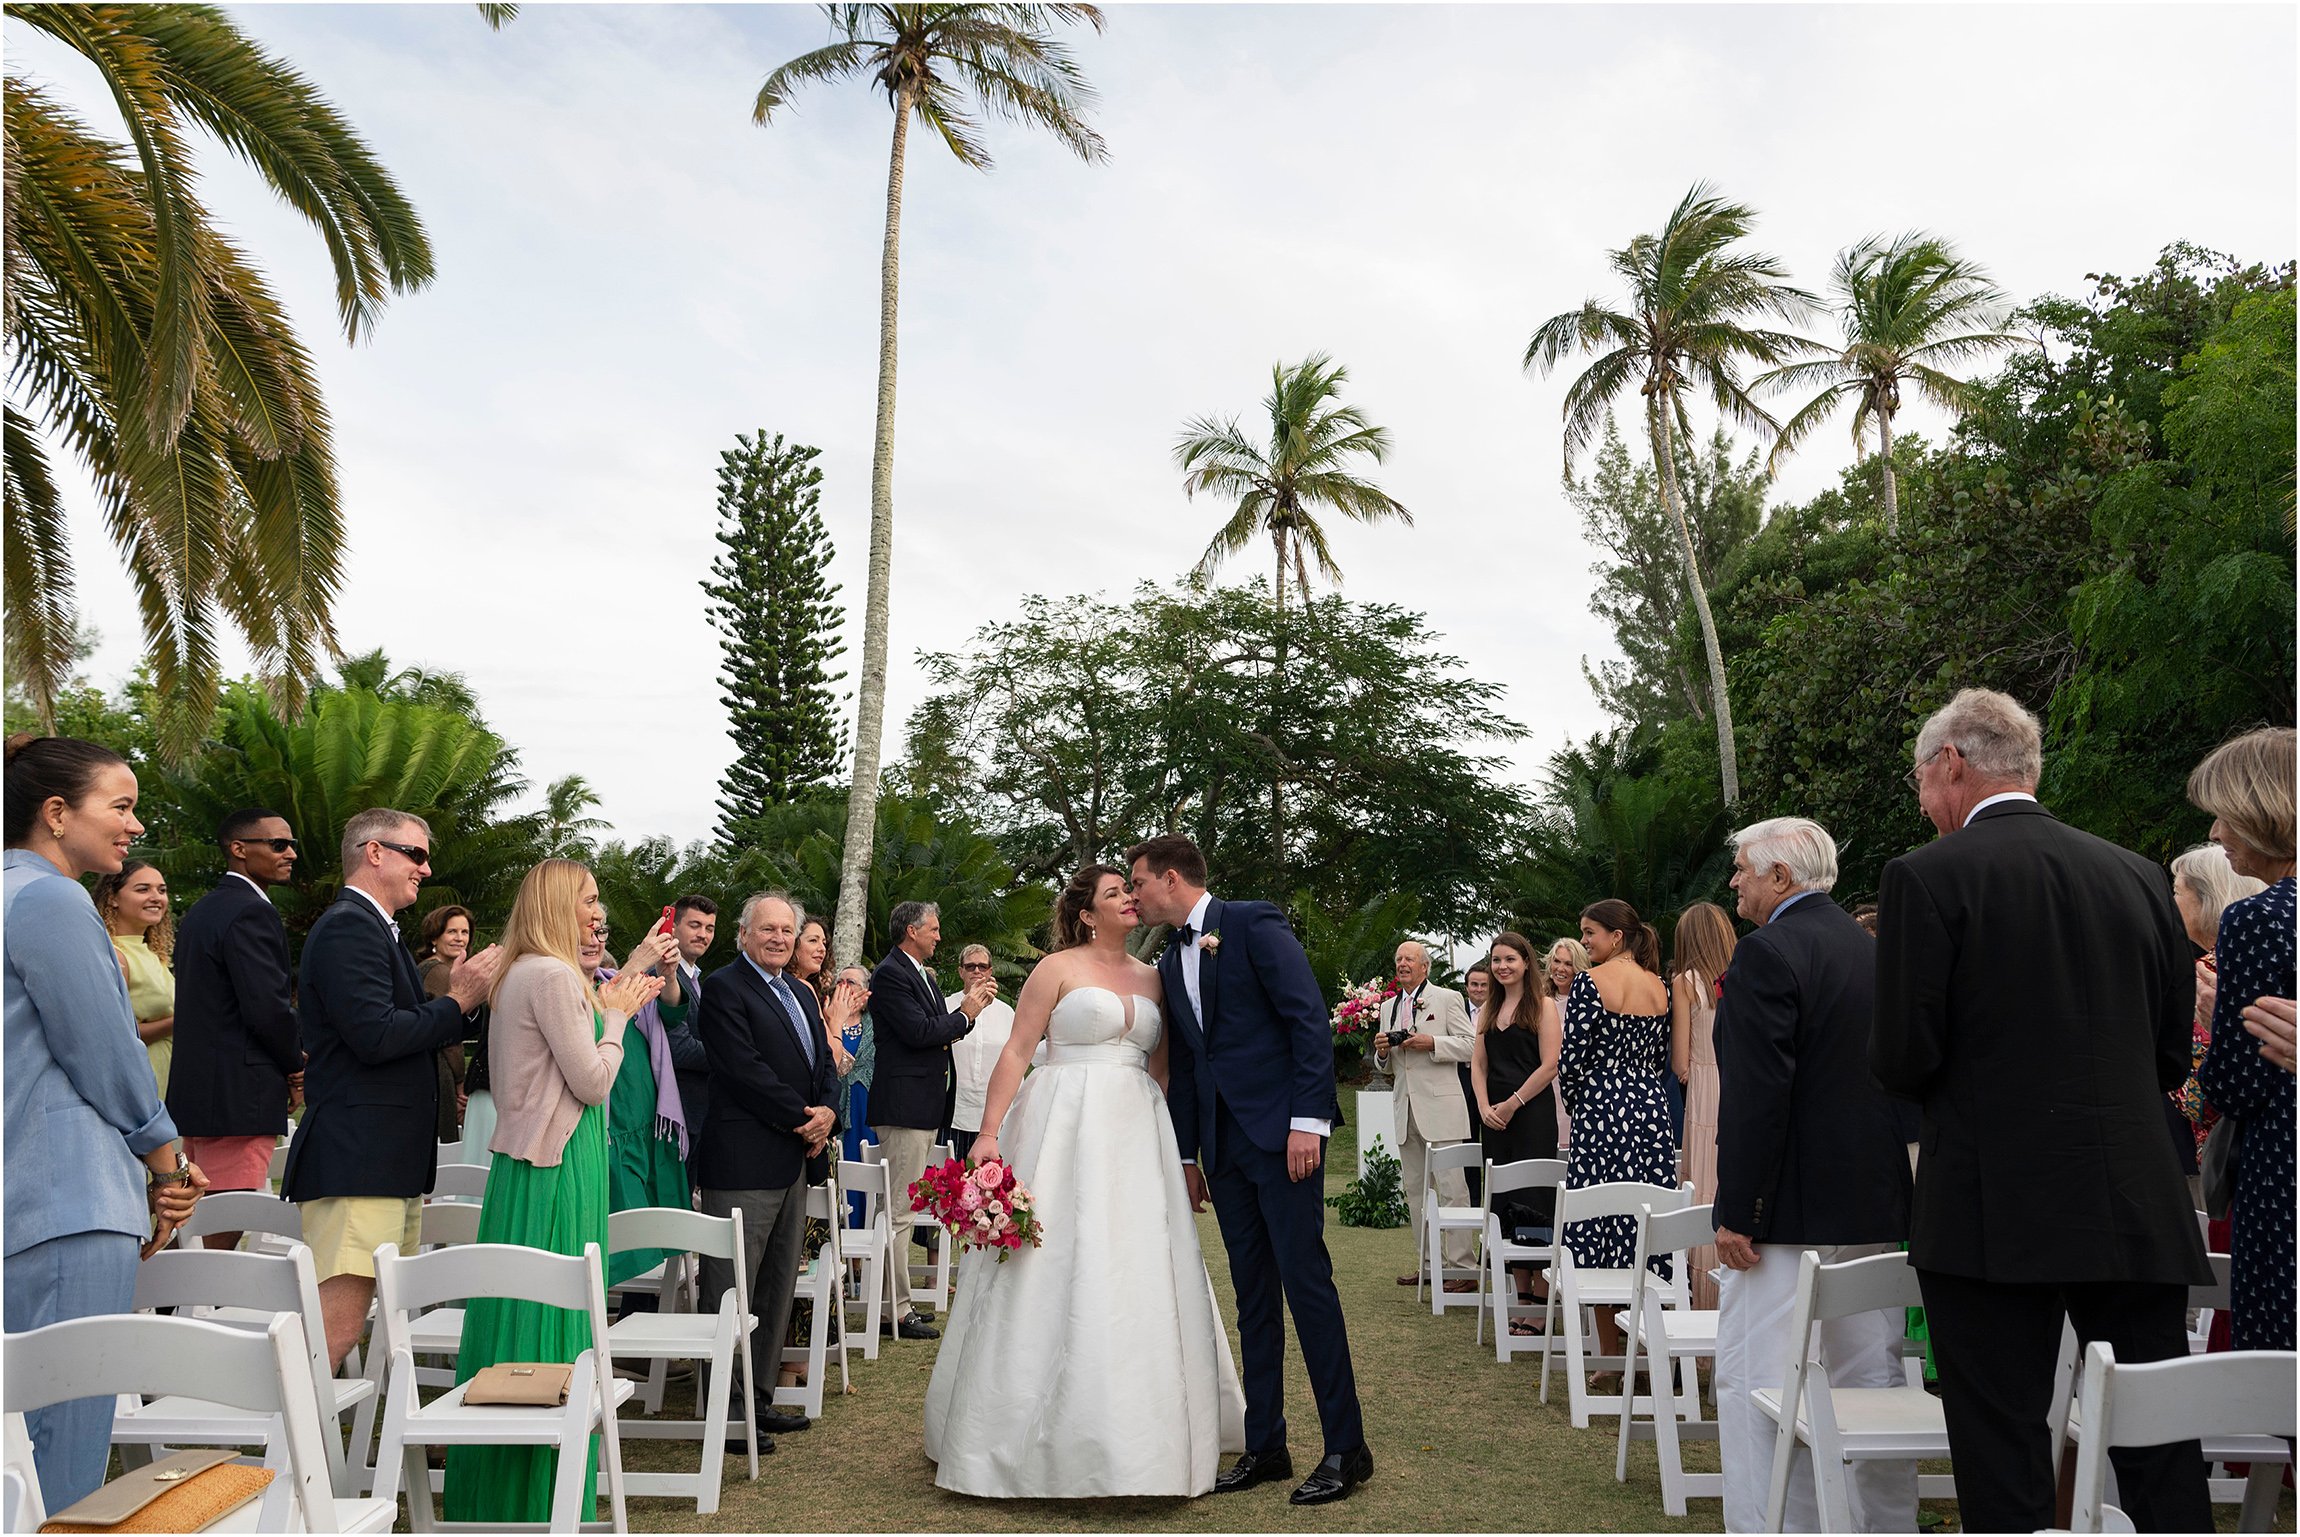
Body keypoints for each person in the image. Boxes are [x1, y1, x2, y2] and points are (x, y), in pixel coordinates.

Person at [1873, 688, 2210, 1534]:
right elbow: (2171, 1054)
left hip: (1993, 1203)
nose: (1921, 798)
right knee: (2160, 1442)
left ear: (1952, 761)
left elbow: (1905, 1058)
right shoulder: (2136, 874)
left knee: (2002, 1444)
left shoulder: (1925, 875)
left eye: (1919, 777)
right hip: (2133, 1197)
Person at [924, 865, 1247, 1495]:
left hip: (1137, 1134)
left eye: (1131, 890)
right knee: (1050, 1262)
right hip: (1060, 1124)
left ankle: (1149, 1436)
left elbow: (1162, 1072)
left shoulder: (1156, 978)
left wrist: (1181, 1155)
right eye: (1114, 894)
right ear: (1086, 914)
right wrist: (989, 1133)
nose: (1130, 898)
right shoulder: (1055, 969)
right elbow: (1018, 1049)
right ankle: (1009, 1438)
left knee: (1135, 1265)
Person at [1128, 835, 1371, 1506]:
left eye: (1139, 881)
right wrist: (1187, 1155)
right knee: (1253, 1296)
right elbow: (1185, 1065)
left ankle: (1347, 1448)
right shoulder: (1170, 955)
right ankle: (1266, 1444)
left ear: (1170, 878)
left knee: (1307, 1286)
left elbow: (1306, 1022)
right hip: (1223, 1151)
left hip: (1283, 1138)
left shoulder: (1252, 921)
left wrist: (1308, 1122)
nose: (1133, 893)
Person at [3, 734, 207, 1510]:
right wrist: (167, 1162)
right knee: (63, 1451)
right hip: (65, 1202)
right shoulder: (50, 899)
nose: (135, 825)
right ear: (56, 813)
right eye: (120, 806)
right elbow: (105, 1051)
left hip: (24, 1197)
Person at [442, 860, 664, 1523]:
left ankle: (507, 1492)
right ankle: (544, 1497)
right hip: (561, 1165)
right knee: (554, 1316)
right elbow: (594, 1080)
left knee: (517, 1312)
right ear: (557, 906)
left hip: (530, 1164)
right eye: (588, 900)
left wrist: (614, 997)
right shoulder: (554, 974)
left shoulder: (521, 972)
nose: (598, 912)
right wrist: (619, 1019)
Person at [1711, 818, 1916, 1533]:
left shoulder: (1767, 953)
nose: (1733, 880)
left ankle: (1773, 1525)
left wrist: (1739, 1207)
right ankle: (1884, 1523)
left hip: (1786, 1214)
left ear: (1780, 877)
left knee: (1757, 1377)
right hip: (1874, 1204)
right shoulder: (1872, 951)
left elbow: (1757, 1095)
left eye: (1742, 869)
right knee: (1875, 1379)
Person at [283, 808, 501, 1370]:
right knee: (334, 1332)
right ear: (374, 852)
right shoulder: (348, 926)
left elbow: (403, 1025)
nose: (426, 869)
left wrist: (462, 1007)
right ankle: (287, 1457)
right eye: (417, 854)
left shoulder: (374, 928)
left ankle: (324, 1454)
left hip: (385, 1159)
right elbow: (376, 1036)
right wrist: (459, 1002)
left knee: (371, 1319)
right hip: (360, 1156)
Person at [693, 892, 839, 1448]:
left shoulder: (801, 991)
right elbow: (743, 1070)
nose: (779, 938)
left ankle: (758, 1399)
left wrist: (827, 1109)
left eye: (787, 930)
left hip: (795, 1161)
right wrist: (805, 1119)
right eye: (767, 929)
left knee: (778, 1285)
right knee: (732, 1289)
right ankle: (725, 1412)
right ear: (743, 934)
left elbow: (822, 1063)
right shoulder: (725, 989)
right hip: (744, 1160)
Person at [2188, 727, 2295, 1355]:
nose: (2215, 833)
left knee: (2279, 1376)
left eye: (2223, 814)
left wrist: (2214, 1014)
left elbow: (2234, 1084)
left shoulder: (2258, 917)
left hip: (2281, 1175)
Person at [169, 808, 304, 1250]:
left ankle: (176, 1306)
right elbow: (266, 1007)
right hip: (239, 1090)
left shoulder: (204, 910)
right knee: (228, 1208)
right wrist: (295, 1063)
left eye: (292, 845)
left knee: (195, 1210)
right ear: (239, 849)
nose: (291, 854)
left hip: (201, 1087)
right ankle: (195, 1308)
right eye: (278, 845)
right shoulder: (250, 912)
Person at [869, 900, 997, 1340]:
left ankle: (899, 1304)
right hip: (903, 1105)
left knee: (904, 1210)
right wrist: (967, 1013)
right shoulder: (890, 974)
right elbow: (921, 1033)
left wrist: (965, 1015)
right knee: (899, 1213)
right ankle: (894, 1310)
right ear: (911, 930)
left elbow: (938, 1028)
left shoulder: (920, 974)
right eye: (934, 929)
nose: (939, 937)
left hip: (922, 1106)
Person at [1558, 898, 1675, 1379]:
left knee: (1600, 1221)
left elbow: (1572, 1060)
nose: (1585, 942)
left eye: (1589, 933)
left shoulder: (1590, 984)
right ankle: (1643, 1349)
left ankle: (1609, 1354)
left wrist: (1580, 1105)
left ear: (1617, 936)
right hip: (1650, 1108)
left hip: (1603, 1107)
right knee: (1642, 1221)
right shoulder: (1660, 987)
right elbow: (1661, 1055)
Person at [1373, 939, 1476, 1289]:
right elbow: (1387, 1067)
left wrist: (1430, 1043)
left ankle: (1462, 1268)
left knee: (1452, 1190)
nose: (1402, 963)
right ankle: (1428, 1266)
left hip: (1443, 1108)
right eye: (1399, 958)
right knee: (1415, 1191)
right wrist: (1383, 1053)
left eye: (1410, 959)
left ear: (1424, 967)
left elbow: (1471, 1044)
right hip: (1406, 1108)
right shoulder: (1388, 1007)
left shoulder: (1447, 998)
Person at [1470, 931, 1560, 1331]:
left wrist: (1512, 1104)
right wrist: (1484, 1107)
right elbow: (1478, 1066)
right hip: (1495, 1121)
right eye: (1495, 961)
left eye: (1510, 959)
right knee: (1505, 1203)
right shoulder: (1487, 1010)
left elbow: (1550, 1065)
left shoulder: (1544, 1006)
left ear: (1526, 962)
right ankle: (1520, 1296)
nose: (1502, 967)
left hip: (1531, 1116)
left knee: (1534, 1201)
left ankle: (1541, 1302)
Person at [594, 925, 692, 1288]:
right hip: (612, 1123)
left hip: (648, 1119)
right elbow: (599, 1009)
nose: (595, 940)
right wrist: (638, 962)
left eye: (602, 932)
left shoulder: (615, 978)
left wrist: (666, 975)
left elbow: (671, 1015)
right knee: (622, 1242)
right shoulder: (584, 989)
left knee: (657, 1237)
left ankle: (646, 1315)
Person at [2168, 844, 2263, 1210]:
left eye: (2177, 892)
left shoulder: (2204, 978)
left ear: (2205, 899)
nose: (2172, 904)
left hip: (2229, 1163)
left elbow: (2200, 1101)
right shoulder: (2257, 959)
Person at [1669, 901, 1735, 1311]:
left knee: (1703, 1196)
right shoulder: (1741, 974)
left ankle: (1704, 1316)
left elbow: (1680, 1061)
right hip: (1738, 1085)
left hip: (1703, 1093)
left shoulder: (1685, 982)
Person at [654, 894, 719, 1190]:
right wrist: (729, 1056)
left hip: (698, 1113)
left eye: (709, 928)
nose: (703, 934)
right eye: (695, 925)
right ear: (674, 927)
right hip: (673, 1115)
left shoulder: (696, 981)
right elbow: (677, 1048)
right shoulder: (662, 975)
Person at [95, 859, 176, 1098]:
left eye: (161, 890)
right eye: (143, 889)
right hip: (136, 1085)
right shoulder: (113, 955)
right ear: (112, 898)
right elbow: (112, 1036)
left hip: (168, 1080)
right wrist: (180, 1020)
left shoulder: (154, 954)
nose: (156, 897)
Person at [945, 944, 1016, 1160]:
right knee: (950, 1181)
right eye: (970, 966)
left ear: (990, 971)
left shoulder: (1007, 1013)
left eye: (982, 967)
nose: (977, 971)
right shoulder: (947, 1007)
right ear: (960, 972)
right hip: (955, 1111)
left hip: (995, 1115)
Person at [417, 904, 476, 1146]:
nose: (460, 938)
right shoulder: (439, 973)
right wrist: (461, 1081)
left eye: (464, 932)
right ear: (434, 936)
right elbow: (449, 1035)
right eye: (452, 932)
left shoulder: (428, 968)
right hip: (438, 1069)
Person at [1546, 938, 1590, 1149]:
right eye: (1557, 961)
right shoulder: (1539, 1002)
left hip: (1575, 1087)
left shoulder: (1588, 1004)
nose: (1560, 969)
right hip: (1544, 1087)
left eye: (1569, 963)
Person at [1458, 959, 1492, 1196]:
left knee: (1491, 1147)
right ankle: (1471, 1201)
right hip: (1462, 1085)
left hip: (1491, 1086)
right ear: (1466, 987)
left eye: (1483, 985)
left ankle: (1494, 1200)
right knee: (1467, 1146)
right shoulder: (1456, 1010)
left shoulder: (1498, 1009)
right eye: (1474, 985)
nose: (1478, 989)